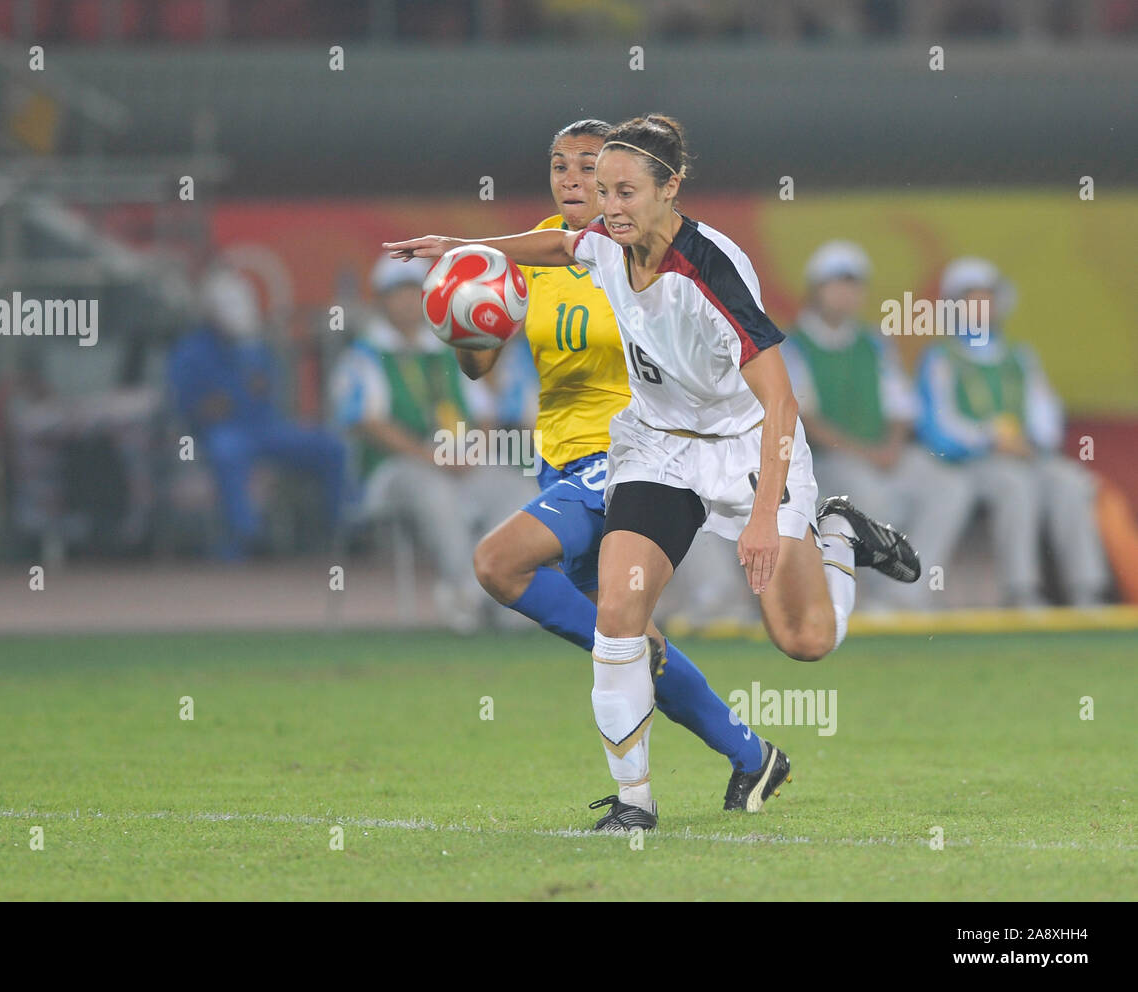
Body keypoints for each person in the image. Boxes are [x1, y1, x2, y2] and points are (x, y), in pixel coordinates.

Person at [385, 114, 920, 830]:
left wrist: (763, 519)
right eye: (601, 190)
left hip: (746, 446)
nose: (608, 207)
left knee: (805, 641)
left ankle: (840, 537)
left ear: (671, 187)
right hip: (657, 448)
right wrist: (468, 246)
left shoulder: (711, 273)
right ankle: (634, 802)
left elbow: (782, 401)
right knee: (619, 613)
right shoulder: (606, 239)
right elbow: (558, 241)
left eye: (626, 191)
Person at [446, 118, 779, 825]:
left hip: (626, 457)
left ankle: (639, 796)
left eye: (590, 168)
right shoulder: (538, 255)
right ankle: (751, 754)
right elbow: (481, 361)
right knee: (635, 635)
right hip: (556, 460)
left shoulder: (633, 250)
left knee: (499, 565)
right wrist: (463, 321)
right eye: (559, 166)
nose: (573, 180)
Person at [330, 255, 533, 633]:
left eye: (415, 292)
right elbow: (369, 423)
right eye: (398, 293)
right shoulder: (365, 356)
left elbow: (485, 411)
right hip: (394, 471)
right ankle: (468, 593)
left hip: (460, 461)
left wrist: (476, 451)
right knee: (434, 492)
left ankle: (509, 594)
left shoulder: (450, 349)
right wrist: (431, 458)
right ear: (381, 300)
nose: (408, 301)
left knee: (518, 489)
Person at [780, 240, 974, 610]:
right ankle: (867, 600)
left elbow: (901, 406)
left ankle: (907, 595)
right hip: (827, 461)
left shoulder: (874, 343)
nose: (845, 294)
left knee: (950, 487)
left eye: (853, 285)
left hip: (882, 454)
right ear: (815, 290)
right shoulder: (793, 345)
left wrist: (892, 448)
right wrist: (867, 453)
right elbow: (805, 419)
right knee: (867, 495)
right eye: (836, 284)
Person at [915, 258, 1109, 607]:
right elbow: (937, 428)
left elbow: (1046, 413)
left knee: (1071, 482)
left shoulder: (1020, 357)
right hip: (975, 463)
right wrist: (989, 439)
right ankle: (1022, 591)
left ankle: (1087, 588)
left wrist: (1031, 441)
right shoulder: (942, 357)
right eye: (970, 299)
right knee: (1014, 487)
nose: (980, 307)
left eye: (986, 298)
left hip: (1028, 455)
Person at [169, 266, 348, 560]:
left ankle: (341, 530)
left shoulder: (257, 347)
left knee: (330, 446)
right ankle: (245, 537)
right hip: (220, 433)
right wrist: (231, 396)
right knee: (227, 451)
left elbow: (265, 391)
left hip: (266, 428)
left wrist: (236, 390)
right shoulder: (191, 350)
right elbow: (197, 407)